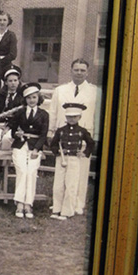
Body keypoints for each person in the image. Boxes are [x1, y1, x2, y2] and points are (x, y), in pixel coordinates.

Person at [48, 58, 101, 215]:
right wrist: (51, 131)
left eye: (82, 70)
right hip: (64, 137)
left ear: (87, 72)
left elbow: (98, 114)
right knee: (62, 173)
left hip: (83, 135)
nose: (79, 73)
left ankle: (77, 204)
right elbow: (53, 112)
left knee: (81, 173)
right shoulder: (60, 90)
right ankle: (58, 205)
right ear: (71, 71)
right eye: (76, 69)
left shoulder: (94, 91)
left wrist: (96, 135)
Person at [49, 102, 95, 220]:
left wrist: (84, 153)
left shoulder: (82, 131)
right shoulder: (60, 130)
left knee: (71, 185)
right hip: (61, 159)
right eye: (69, 116)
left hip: (74, 160)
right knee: (58, 185)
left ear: (80, 117)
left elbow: (91, 143)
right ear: (65, 117)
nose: (72, 119)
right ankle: (56, 209)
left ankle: (67, 211)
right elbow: (53, 144)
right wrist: (57, 152)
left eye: (74, 117)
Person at [9, 83, 48, 219]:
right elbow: (13, 130)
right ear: (25, 99)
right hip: (20, 145)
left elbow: (43, 134)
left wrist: (36, 149)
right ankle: (19, 203)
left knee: (31, 172)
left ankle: (28, 204)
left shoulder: (44, 114)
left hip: (35, 147)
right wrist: (17, 134)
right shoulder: (20, 112)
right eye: (29, 98)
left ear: (38, 98)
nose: (32, 100)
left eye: (34, 97)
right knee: (22, 171)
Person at [0, 66, 25, 150]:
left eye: (15, 80)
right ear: (6, 83)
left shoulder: (22, 96)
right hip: (0, 123)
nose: (13, 83)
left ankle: (5, 162)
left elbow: (20, 116)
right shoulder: (1, 95)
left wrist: (9, 126)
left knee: (6, 139)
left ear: (19, 82)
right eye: (10, 81)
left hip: (14, 125)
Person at [0, 11, 18, 75]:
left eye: (4, 20)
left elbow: (13, 55)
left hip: (5, 66)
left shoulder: (11, 35)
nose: (2, 22)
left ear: (8, 22)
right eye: (0, 20)